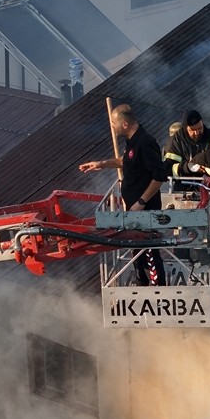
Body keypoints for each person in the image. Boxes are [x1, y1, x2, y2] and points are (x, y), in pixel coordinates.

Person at [79, 104, 167, 286]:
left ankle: (158, 290)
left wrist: (142, 202)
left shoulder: (145, 142)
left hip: (145, 210)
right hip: (132, 209)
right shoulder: (132, 141)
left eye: (114, 123)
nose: (112, 127)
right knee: (136, 250)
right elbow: (126, 160)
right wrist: (102, 164)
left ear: (125, 124)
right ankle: (142, 286)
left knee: (148, 250)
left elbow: (159, 175)